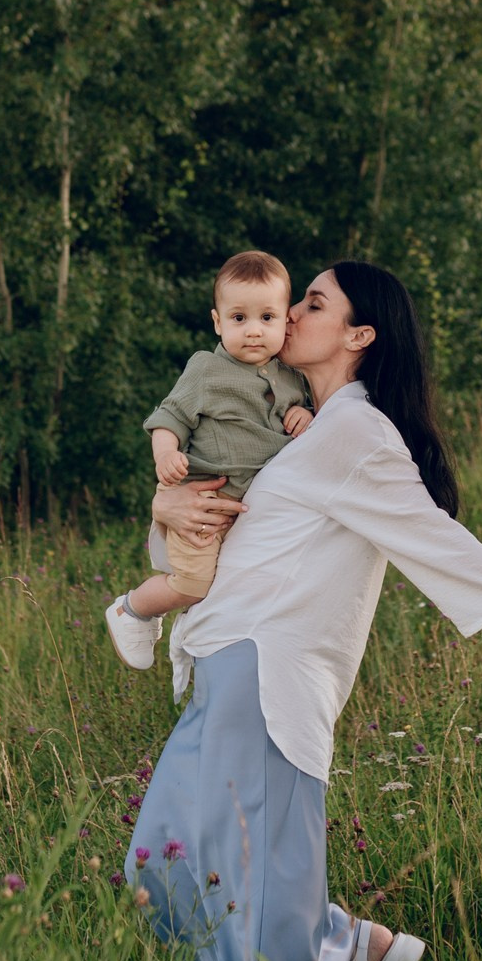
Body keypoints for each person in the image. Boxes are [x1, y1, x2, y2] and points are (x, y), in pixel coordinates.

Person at [129, 261, 482, 961]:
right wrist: (165, 496)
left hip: (269, 676)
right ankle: (349, 949)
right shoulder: (294, 426)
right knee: (159, 869)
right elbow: (209, 504)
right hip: (221, 665)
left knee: (261, 884)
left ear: (359, 335)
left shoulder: (358, 431)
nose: (290, 312)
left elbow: (435, 536)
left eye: (312, 302)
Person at [104, 251, 313, 669]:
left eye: (267, 318)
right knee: (196, 583)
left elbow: (311, 422)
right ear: (217, 322)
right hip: (198, 498)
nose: (254, 331)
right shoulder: (206, 370)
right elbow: (170, 417)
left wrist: (306, 414)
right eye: (239, 319)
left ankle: (204, 644)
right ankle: (134, 609)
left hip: (240, 512)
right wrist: (166, 454)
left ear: (285, 321)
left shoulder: (294, 377)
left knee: (230, 588)